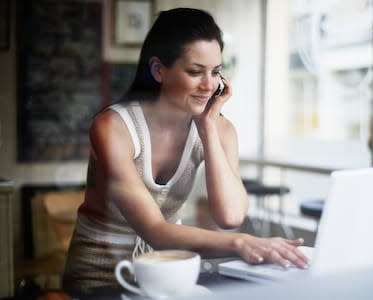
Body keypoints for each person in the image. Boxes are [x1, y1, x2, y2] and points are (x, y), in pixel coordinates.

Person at [62, 7, 308, 289]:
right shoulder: (113, 127)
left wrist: (207, 128)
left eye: (215, 72)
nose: (208, 85)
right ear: (158, 70)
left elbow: (230, 216)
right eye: (195, 72)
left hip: (168, 272)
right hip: (100, 276)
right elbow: (154, 230)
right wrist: (243, 242)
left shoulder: (220, 129)